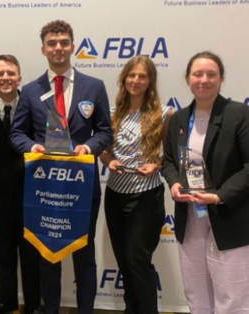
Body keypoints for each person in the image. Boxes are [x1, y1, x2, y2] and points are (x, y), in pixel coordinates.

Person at [9, 20, 112, 314]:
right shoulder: (29, 91)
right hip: (45, 189)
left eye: (64, 42)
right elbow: (16, 134)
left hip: (82, 185)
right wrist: (33, 147)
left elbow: (105, 131)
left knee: (84, 254)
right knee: (48, 256)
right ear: (43, 49)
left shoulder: (94, 87)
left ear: (72, 46)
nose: (58, 48)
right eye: (52, 43)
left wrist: (88, 147)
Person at [162, 51, 249, 314]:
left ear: (221, 79)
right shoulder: (178, 119)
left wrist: (220, 195)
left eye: (211, 74)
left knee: (233, 301)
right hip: (192, 219)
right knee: (197, 297)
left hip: (235, 218)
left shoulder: (239, 114)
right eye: (197, 74)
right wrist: (174, 183)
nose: (204, 79)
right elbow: (168, 161)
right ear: (187, 78)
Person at [98, 55, 171, 314]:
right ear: (124, 78)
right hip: (115, 194)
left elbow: (175, 155)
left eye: (142, 76)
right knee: (124, 261)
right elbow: (104, 152)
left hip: (146, 196)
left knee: (138, 260)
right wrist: (108, 162)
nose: (136, 80)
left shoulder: (164, 114)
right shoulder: (113, 114)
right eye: (132, 75)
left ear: (150, 80)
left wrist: (156, 165)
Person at [0, 54, 42, 314]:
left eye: (10, 73)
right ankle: (7, 303)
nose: (5, 78)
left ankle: (32, 305)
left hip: (31, 190)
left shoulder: (32, 108)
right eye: (0, 74)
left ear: (19, 78)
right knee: (3, 249)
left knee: (30, 250)